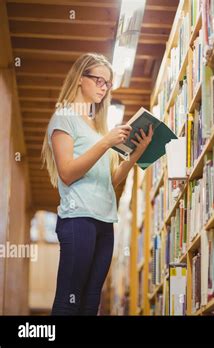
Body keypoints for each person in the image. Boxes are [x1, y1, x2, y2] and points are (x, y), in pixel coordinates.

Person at [41, 52, 153, 315]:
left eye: (108, 83)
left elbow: (111, 180)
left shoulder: (98, 127)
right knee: (69, 299)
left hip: (105, 221)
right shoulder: (64, 118)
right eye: (98, 80)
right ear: (80, 79)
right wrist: (106, 142)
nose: (103, 87)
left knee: (91, 302)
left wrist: (137, 152)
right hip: (78, 218)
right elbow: (67, 173)